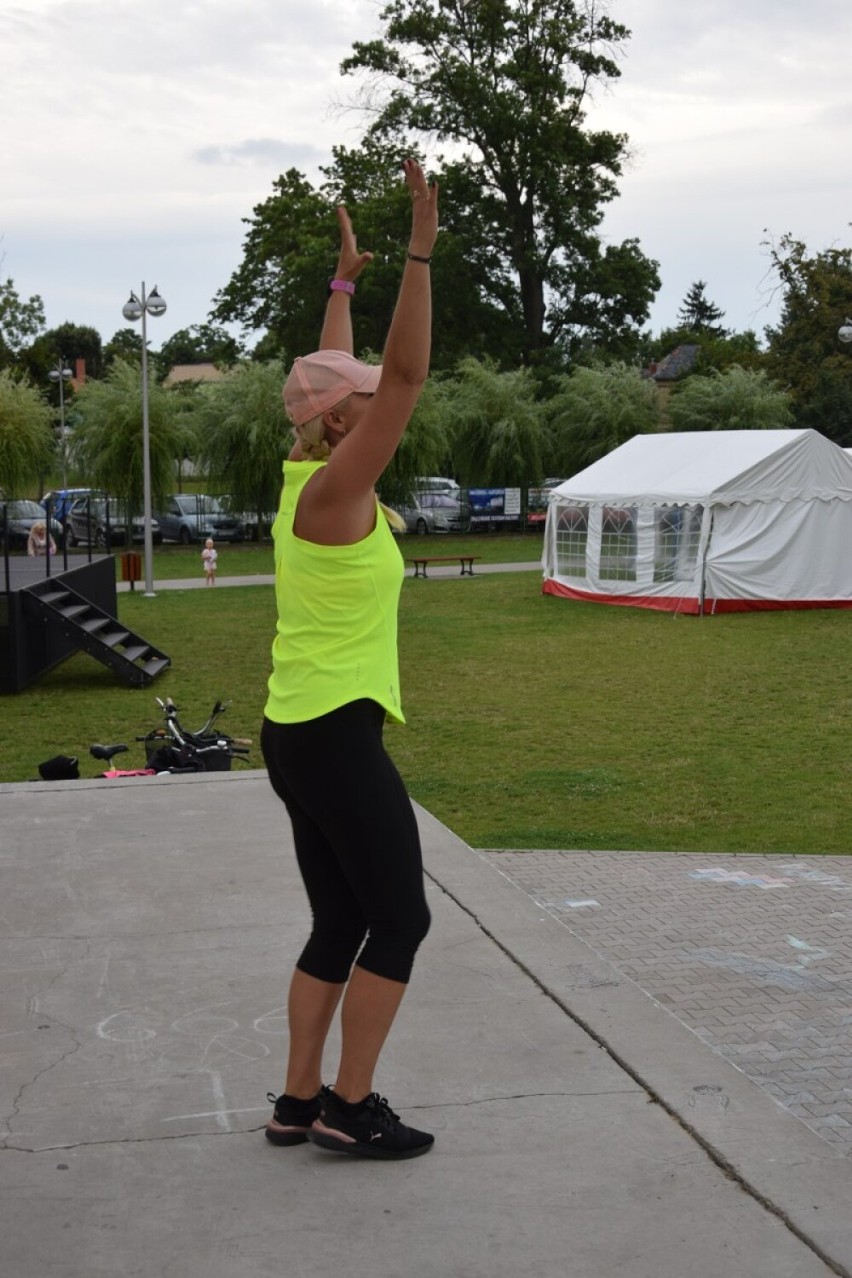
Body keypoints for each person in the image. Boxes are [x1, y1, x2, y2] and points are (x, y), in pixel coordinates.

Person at [260, 157, 439, 1161]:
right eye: (359, 405)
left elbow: (340, 374)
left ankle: (296, 1102)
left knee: (339, 920)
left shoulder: (303, 477)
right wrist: (420, 249)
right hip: (331, 734)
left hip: (299, 730)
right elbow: (404, 377)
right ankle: (348, 1105)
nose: (378, 407)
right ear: (339, 425)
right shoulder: (337, 494)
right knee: (399, 919)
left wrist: (345, 287)